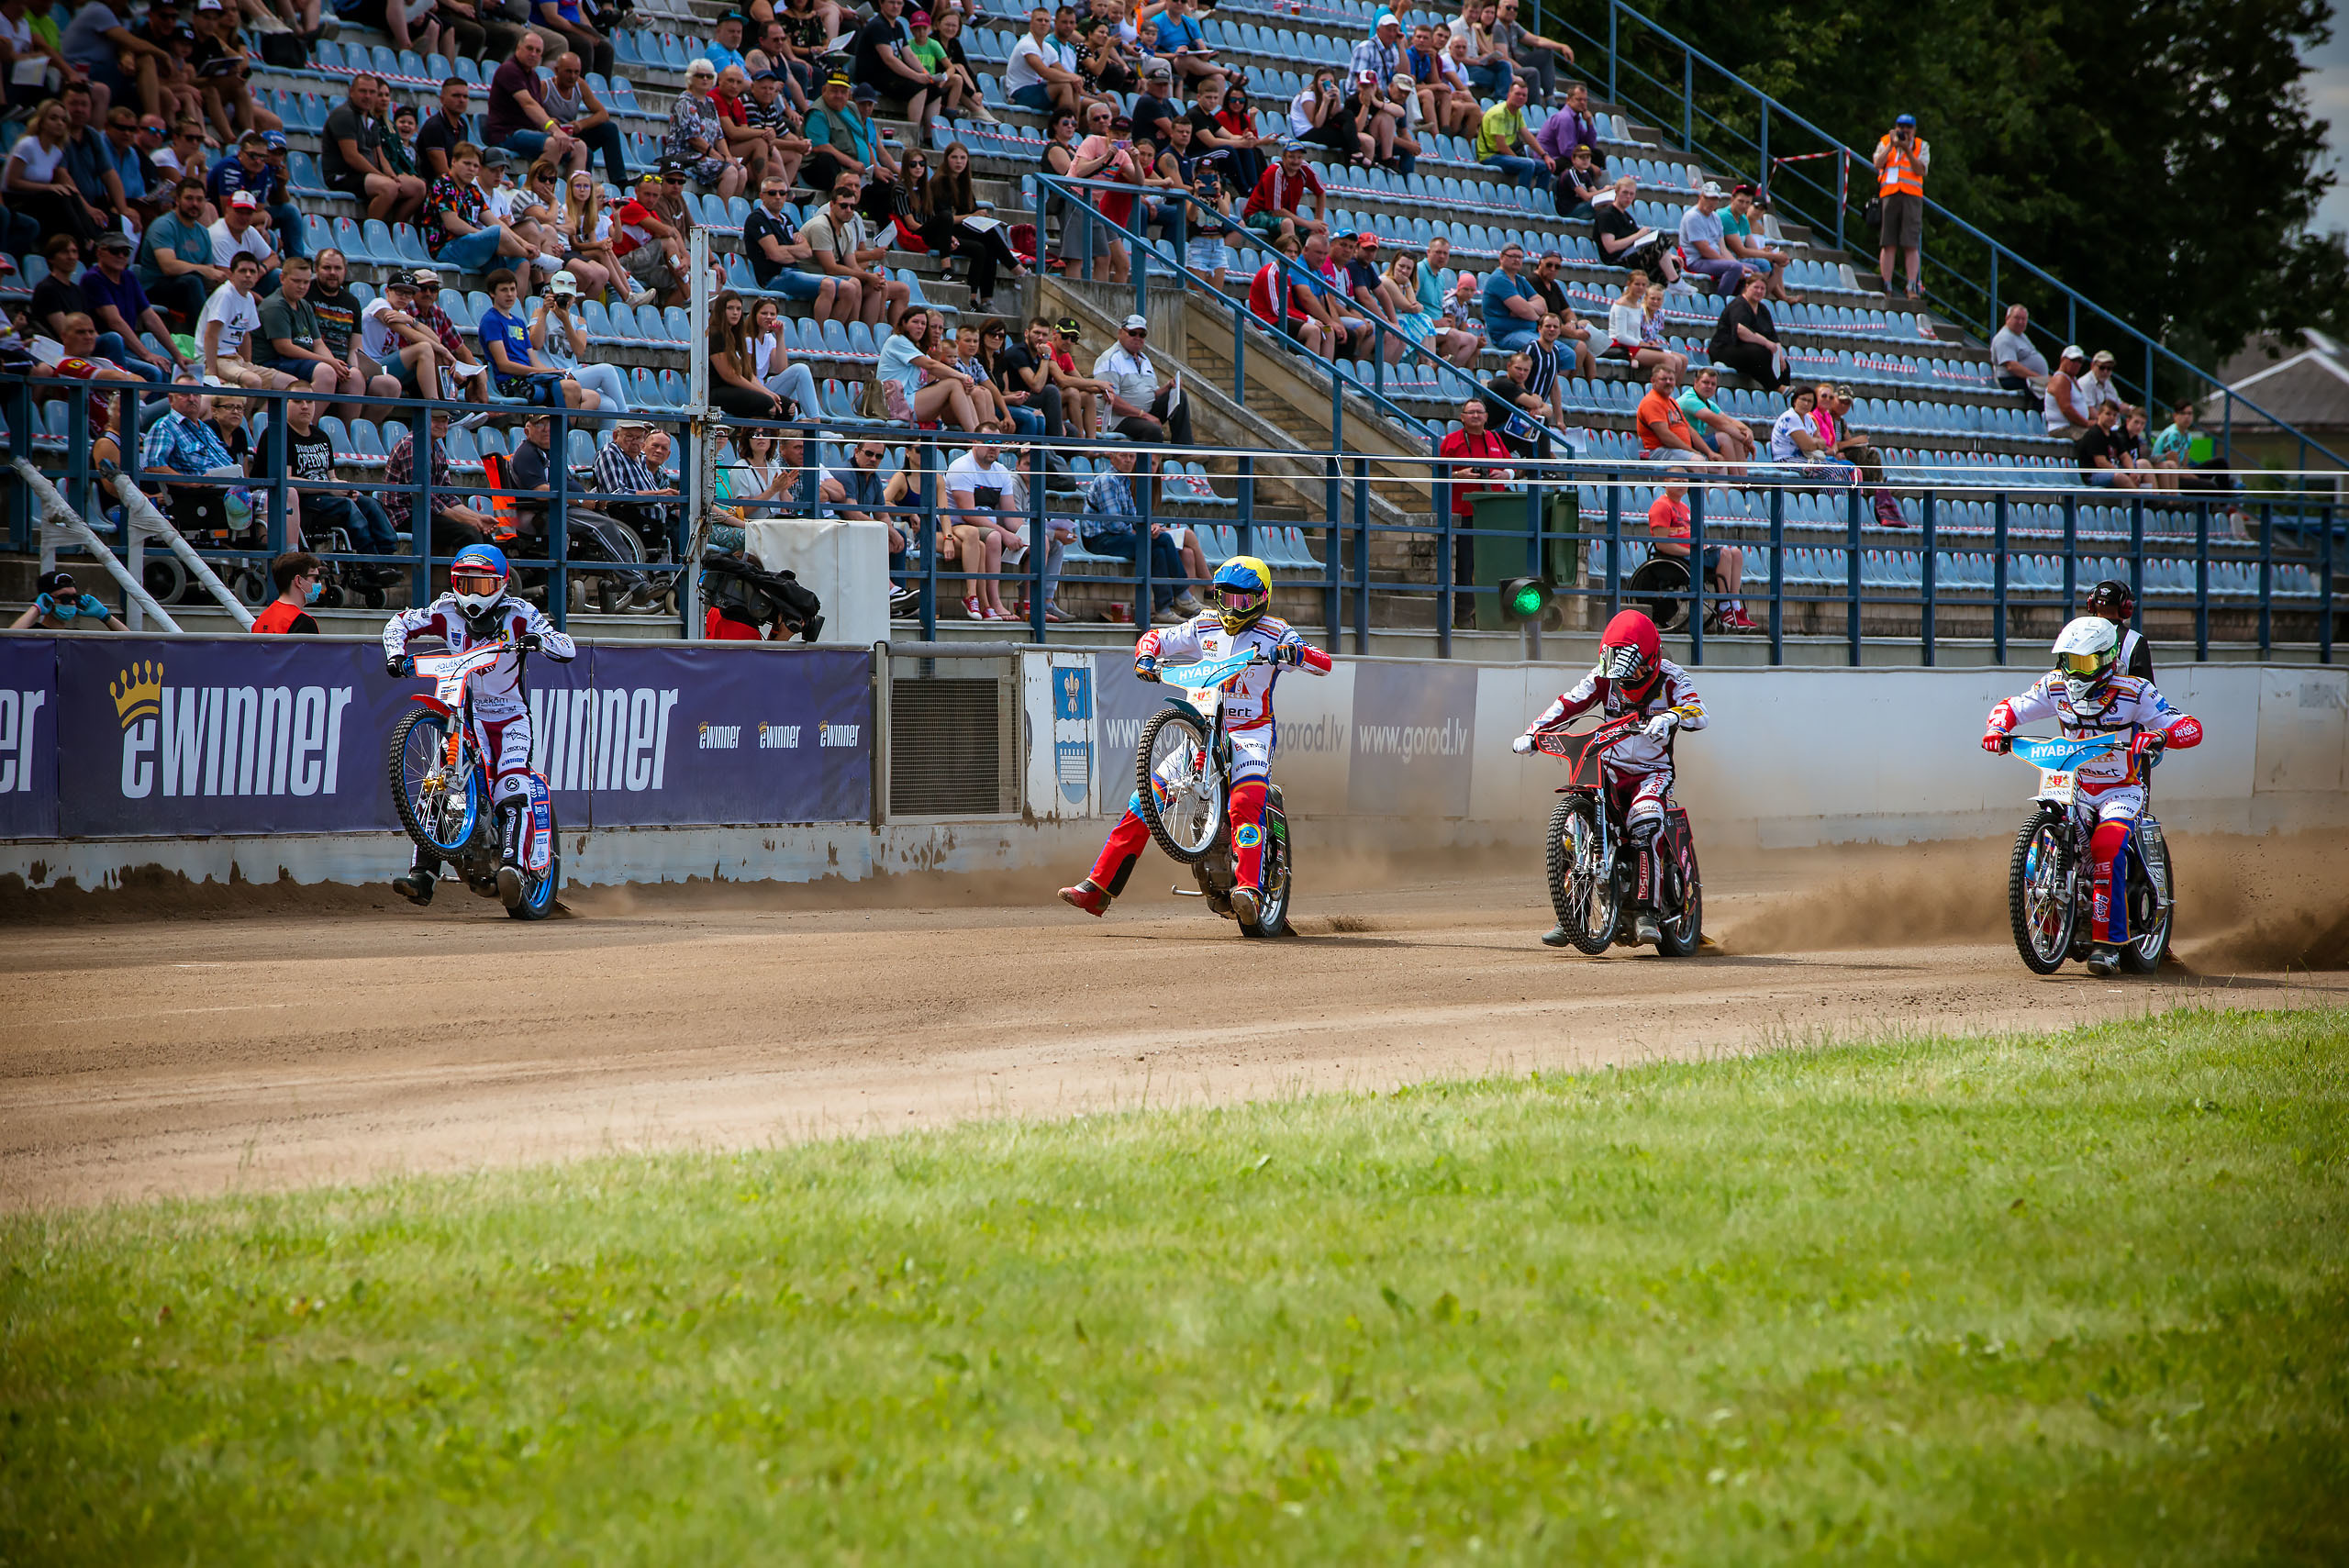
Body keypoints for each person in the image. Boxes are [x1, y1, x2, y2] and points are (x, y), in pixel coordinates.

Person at [1060, 556, 1330, 922]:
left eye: (1244, 601)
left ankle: (1249, 888)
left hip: (1249, 732)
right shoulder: (1203, 625)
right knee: (1143, 801)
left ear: (1262, 599)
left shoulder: (1277, 631)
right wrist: (1146, 658)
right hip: (1199, 733)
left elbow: (1322, 661)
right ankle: (1098, 888)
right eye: (1226, 598)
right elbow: (1155, 637)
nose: (1233, 609)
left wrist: (1296, 652)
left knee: (1245, 802)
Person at [1981, 617, 2201, 975]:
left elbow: (2187, 725)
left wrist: (2160, 737)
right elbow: (2013, 706)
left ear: (2108, 658)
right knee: (2042, 852)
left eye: (2085, 663)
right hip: (2074, 785)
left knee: (2107, 847)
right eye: (2069, 661)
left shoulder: (2136, 690)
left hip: (2121, 789)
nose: (2075, 672)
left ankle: (2108, 946)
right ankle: (2055, 929)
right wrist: (1997, 727)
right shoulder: (2055, 686)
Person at [382, 543, 578, 909]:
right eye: (465, 583)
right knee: (436, 782)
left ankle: (514, 868)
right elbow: (400, 623)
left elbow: (566, 647)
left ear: (502, 585)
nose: (472, 594)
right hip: (464, 716)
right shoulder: (443, 610)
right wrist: (395, 654)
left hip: (510, 719)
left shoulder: (520, 613)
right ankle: (423, 874)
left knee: (511, 788)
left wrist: (541, 640)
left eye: (483, 586)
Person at [1513, 610, 1705, 946]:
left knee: (1644, 819)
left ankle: (1647, 910)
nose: (1625, 684)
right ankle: (1572, 914)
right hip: (1610, 768)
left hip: (1652, 773)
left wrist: (1672, 717)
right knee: (1574, 832)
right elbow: (1568, 703)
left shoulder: (1674, 677)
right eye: (1619, 676)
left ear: (1651, 659)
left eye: (1633, 674)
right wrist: (1533, 733)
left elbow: (1698, 712)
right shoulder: (1604, 676)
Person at [278, 395, 397, 573]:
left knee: (369, 503)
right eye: (297, 401)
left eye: (309, 401)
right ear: (285, 405)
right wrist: (329, 488)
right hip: (303, 500)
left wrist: (343, 488)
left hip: (327, 495)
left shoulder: (321, 436)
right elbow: (287, 480)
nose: (305, 406)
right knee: (347, 506)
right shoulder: (281, 435)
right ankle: (369, 561)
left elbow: (331, 477)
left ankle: (388, 557)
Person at [800, 172, 908, 327]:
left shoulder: (848, 226)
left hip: (833, 277)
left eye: (852, 206)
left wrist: (872, 278)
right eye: (844, 206)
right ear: (832, 205)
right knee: (855, 283)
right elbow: (830, 268)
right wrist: (868, 269)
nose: (849, 210)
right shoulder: (820, 225)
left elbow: (852, 264)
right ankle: (838, 332)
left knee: (877, 286)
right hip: (812, 274)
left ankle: (866, 337)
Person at [1094, 313, 1194, 480]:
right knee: (1152, 429)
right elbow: (1110, 399)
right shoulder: (1110, 358)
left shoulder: (1144, 359)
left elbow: (1149, 394)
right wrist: (1144, 415)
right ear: (1120, 333)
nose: (1138, 338)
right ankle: (1145, 478)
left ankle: (1183, 452)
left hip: (1143, 413)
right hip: (1119, 418)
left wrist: (1167, 388)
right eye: (1132, 333)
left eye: (1142, 335)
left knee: (1179, 396)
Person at [1647, 478, 1754, 631]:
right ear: (1666, 482)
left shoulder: (1684, 507)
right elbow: (1662, 544)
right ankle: (1724, 607)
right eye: (1676, 481)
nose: (1681, 485)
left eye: (1684, 481)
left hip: (1693, 553)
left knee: (1736, 553)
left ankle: (1734, 605)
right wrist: (1691, 551)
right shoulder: (1661, 506)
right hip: (1677, 557)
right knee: (1724, 554)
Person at [83, 229, 187, 383]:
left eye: (125, 252)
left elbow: (150, 317)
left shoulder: (128, 277)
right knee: (153, 372)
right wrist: (146, 354)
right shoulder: (93, 278)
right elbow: (114, 321)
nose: (121, 256)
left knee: (168, 369)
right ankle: (136, 406)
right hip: (105, 350)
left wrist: (178, 355)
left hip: (128, 348)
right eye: (115, 251)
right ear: (100, 252)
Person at [322, 73, 424, 224]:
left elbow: (380, 156)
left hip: (367, 176)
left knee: (418, 188)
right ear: (352, 91)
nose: (368, 96)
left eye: (372, 92)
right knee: (388, 187)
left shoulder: (370, 119)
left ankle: (393, 231)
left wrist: (391, 175)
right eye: (363, 91)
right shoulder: (344, 115)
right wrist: (382, 177)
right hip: (344, 175)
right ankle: (372, 233)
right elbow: (352, 157)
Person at [1873, 113, 1927, 298]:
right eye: (1901, 127)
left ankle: (1912, 287)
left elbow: (1920, 170)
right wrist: (1892, 146)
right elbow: (1877, 163)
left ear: (1914, 130)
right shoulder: (1885, 141)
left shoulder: (1921, 145)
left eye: (1908, 128)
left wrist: (1907, 149)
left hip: (1912, 197)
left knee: (1910, 243)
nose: (1904, 131)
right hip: (1889, 194)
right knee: (1888, 242)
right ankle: (1886, 284)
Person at [1708, 269, 1789, 391]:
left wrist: (1780, 354)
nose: (1759, 291)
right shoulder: (1739, 305)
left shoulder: (1763, 309)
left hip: (1746, 349)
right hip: (1725, 348)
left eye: (1762, 289)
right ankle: (1776, 387)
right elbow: (1741, 330)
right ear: (1747, 287)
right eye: (1756, 287)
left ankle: (1788, 397)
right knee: (1760, 353)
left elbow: (1773, 335)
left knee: (1784, 365)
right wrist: (1766, 343)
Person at [1718, 183, 1796, 303]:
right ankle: (1743, 301)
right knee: (1759, 266)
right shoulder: (1725, 216)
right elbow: (1741, 252)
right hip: (1722, 257)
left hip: (1735, 257)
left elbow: (1753, 248)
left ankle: (1750, 300)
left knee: (1767, 264)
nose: (1744, 206)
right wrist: (1773, 256)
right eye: (1741, 201)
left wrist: (1769, 254)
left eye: (1747, 202)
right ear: (1732, 199)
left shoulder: (1742, 219)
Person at [1592, 173, 1676, 283]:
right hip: (1616, 259)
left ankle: (1668, 291)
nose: (1628, 197)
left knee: (1672, 263)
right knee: (1660, 236)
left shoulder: (1626, 216)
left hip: (1629, 254)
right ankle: (1675, 281)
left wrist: (1670, 255)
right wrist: (1637, 235)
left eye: (1631, 194)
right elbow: (1610, 247)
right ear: (1616, 192)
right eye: (1625, 193)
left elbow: (1642, 240)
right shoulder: (1607, 215)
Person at [1242, 139, 1326, 246]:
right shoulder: (1275, 172)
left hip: (1286, 216)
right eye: (1291, 157)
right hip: (1256, 214)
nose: (1296, 161)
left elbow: (1321, 192)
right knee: (1287, 223)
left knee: (1321, 232)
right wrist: (1309, 224)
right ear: (1283, 158)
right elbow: (1277, 211)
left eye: (1299, 157)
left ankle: (1308, 261)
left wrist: (1318, 222)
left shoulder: (1304, 168)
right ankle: (1290, 259)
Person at [1767, 384, 1857, 481]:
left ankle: (1839, 496)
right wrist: (1815, 442)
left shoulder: (1808, 419)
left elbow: (1822, 442)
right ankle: (1829, 496)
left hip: (1804, 459)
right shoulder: (1790, 417)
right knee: (1833, 472)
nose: (1806, 404)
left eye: (1810, 401)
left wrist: (1814, 442)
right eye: (1803, 399)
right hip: (1786, 460)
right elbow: (1806, 445)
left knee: (1842, 469)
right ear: (1795, 401)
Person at [1475, 77, 1546, 193]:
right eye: (1517, 94)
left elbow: (1527, 135)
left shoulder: (1517, 112)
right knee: (1527, 165)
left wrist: (1544, 155)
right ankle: (1523, 201)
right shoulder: (1499, 113)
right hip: (1490, 156)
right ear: (1509, 94)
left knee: (1545, 167)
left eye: (1524, 95)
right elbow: (1501, 147)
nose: (1521, 97)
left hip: (1504, 155)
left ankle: (1539, 200)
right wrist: (1518, 160)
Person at [1675, 366, 1753, 468]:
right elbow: (1721, 424)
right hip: (1684, 442)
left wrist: (1748, 431)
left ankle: (1741, 482)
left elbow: (1728, 420)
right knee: (1723, 438)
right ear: (1696, 382)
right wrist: (1747, 442)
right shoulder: (1689, 400)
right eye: (1705, 382)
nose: (1709, 386)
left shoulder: (1708, 403)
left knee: (1735, 438)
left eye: (1713, 384)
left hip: (1698, 440)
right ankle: (1736, 481)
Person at [11, 568, 128, 630]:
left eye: (75, 597)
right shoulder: (32, 633)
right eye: (65, 598)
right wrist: (36, 609)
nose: (72, 602)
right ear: (47, 600)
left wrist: (104, 615)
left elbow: (133, 641)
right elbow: (7, 640)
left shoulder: (76, 637)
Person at [1635, 362, 1708, 463]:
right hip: (1658, 451)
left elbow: (1689, 429)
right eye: (1664, 379)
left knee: (1718, 467)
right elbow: (1666, 437)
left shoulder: (1672, 401)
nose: (1668, 382)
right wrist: (1693, 451)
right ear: (1653, 381)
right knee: (1698, 461)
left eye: (1671, 379)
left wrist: (1710, 453)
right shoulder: (1652, 402)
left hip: (1679, 451)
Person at [1480, 240, 1542, 353]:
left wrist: (1523, 306)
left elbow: (1542, 305)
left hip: (1530, 332)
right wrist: (1536, 316)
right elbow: (1525, 311)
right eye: (1512, 256)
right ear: (1502, 258)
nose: (1517, 260)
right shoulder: (1499, 279)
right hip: (1508, 335)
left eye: (1520, 257)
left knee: (1570, 354)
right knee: (1540, 348)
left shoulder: (1520, 280)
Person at [250, 550, 324, 634]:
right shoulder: (304, 623)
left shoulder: (261, 620)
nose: (319, 583)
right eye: (316, 578)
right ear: (298, 581)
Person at [2075, 401, 2138, 490]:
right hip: (2094, 475)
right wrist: (2123, 473)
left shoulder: (2113, 435)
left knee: (2143, 464)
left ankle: (2157, 501)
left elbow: (2124, 456)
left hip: (2113, 471)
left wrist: (2132, 472)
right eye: (2108, 414)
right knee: (2120, 476)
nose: (2112, 417)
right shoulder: (2094, 434)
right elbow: (2101, 462)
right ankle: (2141, 500)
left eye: (2115, 415)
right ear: (2099, 414)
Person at [1990, 302, 2047, 394]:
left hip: (2027, 378)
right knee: (2047, 391)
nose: (2020, 322)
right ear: (2007, 318)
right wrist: (2039, 379)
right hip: (2010, 380)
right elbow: (2012, 367)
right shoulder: (2004, 338)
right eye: (2017, 318)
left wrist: (2048, 378)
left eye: (2023, 319)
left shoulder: (2022, 336)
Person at [2043, 344, 2093, 439]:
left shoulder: (2072, 379)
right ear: (2063, 360)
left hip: (2074, 427)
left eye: (2080, 361)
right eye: (2073, 360)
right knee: (2094, 439)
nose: (2077, 364)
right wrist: (2087, 423)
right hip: (2062, 428)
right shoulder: (2061, 379)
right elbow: (2066, 409)